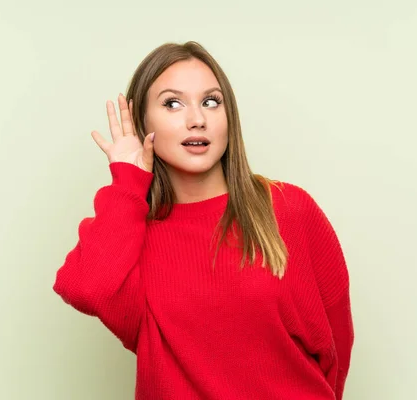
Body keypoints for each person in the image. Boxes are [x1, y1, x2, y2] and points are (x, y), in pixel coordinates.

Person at [53, 41, 354, 400]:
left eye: (211, 101)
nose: (197, 119)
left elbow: (336, 347)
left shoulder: (288, 209)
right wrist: (128, 180)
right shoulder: (132, 240)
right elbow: (86, 287)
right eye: (172, 103)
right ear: (141, 124)